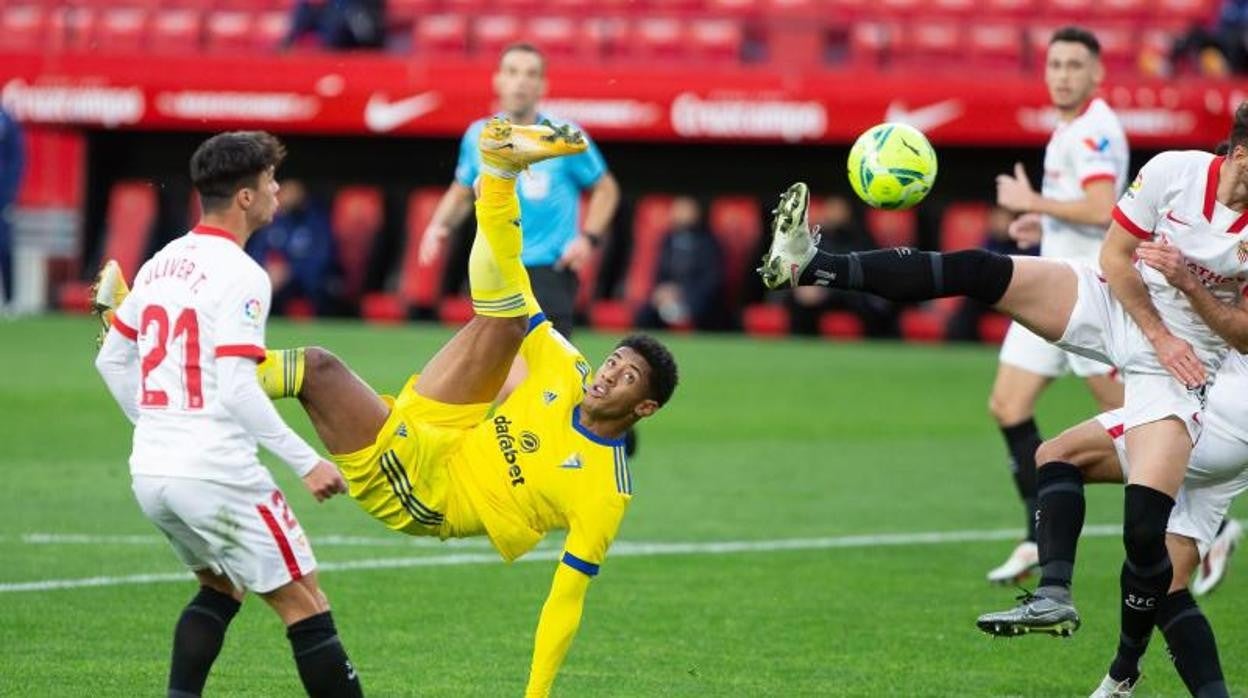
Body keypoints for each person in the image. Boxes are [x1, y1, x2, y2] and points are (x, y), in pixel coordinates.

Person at [757, 99, 1248, 692]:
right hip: (1125, 304)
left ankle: (1117, 668)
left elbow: (1242, 332)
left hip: (1184, 364)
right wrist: (1157, 329)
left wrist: (1188, 289)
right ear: (1239, 153)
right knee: (983, 272)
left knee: (1144, 532)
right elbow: (1115, 257)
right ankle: (814, 263)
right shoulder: (1174, 172)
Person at [250, 118, 677, 697]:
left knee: (318, 369)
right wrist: (495, 195)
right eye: (612, 363)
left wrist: (536, 695)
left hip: (428, 493)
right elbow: (516, 291)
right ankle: (498, 170)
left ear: (644, 407)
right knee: (504, 316)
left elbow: (566, 600)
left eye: (626, 379)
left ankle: (180, 366)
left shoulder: (607, 490)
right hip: (444, 428)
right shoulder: (570, 372)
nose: (606, 377)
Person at [92, 131, 363, 697]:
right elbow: (239, 387)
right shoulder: (244, 275)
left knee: (220, 586)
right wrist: (307, 461)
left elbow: (112, 358)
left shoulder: (162, 260)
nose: (277, 191)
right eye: (270, 182)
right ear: (245, 197)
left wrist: (158, 426)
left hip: (153, 472)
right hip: (217, 472)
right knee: (305, 603)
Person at [976, 357, 1247, 697]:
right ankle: (1122, 676)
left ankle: (1053, 592)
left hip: (1212, 409)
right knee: (1166, 583)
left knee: (1060, 455)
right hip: (1234, 430)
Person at [985, 26, 1129, 585]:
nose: (1063, 74)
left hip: (1090, 297)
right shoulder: (1070, 128)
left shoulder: (1094, 130)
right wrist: (1040, 220)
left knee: (1142, 423)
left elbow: (1102, 209)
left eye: (1075, 65)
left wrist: (1029, 200)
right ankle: (1032, 535)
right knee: (1008, 404)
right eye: (1055, 65)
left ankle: (1208, 527)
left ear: (1096, 73)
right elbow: (1078, 210)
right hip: (1053, 287)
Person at [420, 42, 621, 339]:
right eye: (512, 72)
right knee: (496, 370)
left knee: (547, 370)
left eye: (531, 74)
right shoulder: (479, 135)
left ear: (543, 85)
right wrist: (438, 226)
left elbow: (606, 189)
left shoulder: (560, 136)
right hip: (497, 268)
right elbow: (462, 191)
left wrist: (588, 239)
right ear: (498, 80)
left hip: (548, 270)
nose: (521, 82)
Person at [786, 194, 898, 337]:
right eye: (831, 208)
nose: (835, 213)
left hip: (852, 293)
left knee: (878, 306)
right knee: (802, 301)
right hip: (822, 293)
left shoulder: (861, 238)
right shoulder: (815, 239)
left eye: (839, 208)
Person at [245, 179, 340, 315]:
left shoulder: (317, 223)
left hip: (304, 288)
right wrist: (266, 272)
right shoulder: (271, 222)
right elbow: (255, 254)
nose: (287, 195)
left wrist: (290, 272)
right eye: (284, 191)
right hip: (270, 285)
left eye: (293, 191)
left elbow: (322, 261)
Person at [944, 206, 1035, 342]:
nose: (997, 223)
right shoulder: (990, 241)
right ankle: (961, 342)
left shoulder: (1024, 242)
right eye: (995, 219)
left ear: (1013, 222)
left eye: (1002, 219)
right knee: (970, 300)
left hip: (1014, 293)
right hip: (991, 293)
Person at [635, 196, 724, 330]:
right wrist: (662, 291)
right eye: (677, 210)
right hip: (667, 297)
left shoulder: (708, 243)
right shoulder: (667, 240)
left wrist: (682, 293)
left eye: (685, 210)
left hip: (695, 298)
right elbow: (659, 273)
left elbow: (711, 280)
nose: (679, 214)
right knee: (644, 315)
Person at [0, 104, 24, 307]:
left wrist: (9, 195)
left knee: (4, 247)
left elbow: (16, 159)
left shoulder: (6, 120)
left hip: (2, 199)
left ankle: (10, 300)